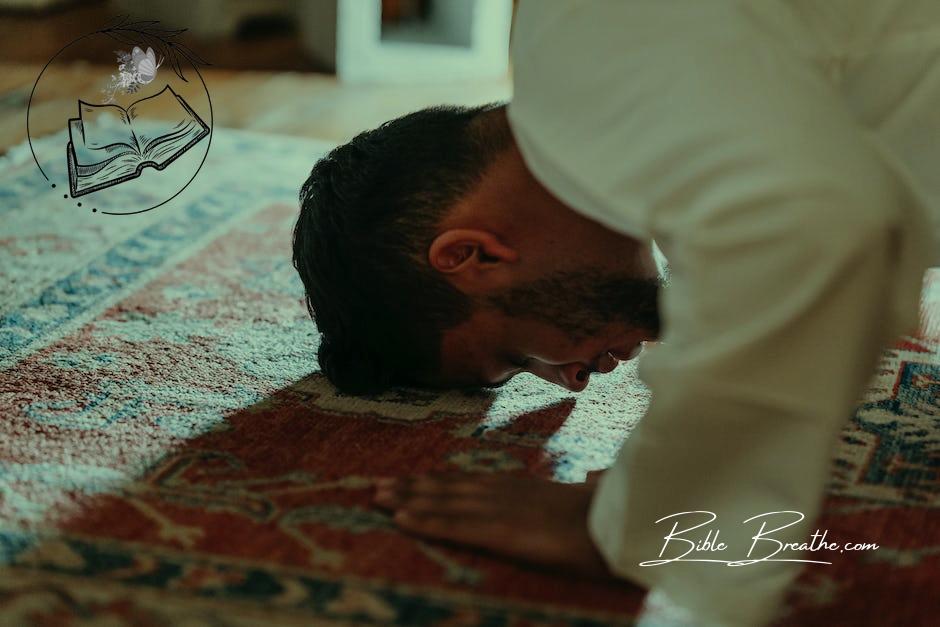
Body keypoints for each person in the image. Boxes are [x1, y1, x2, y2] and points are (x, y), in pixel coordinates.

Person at [292, 1, 939, 624]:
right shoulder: (603, 78)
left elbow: (813, 234)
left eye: (516, 354)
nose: (571, 381)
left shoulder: (599, 49)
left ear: (474, 254)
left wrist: (637, 516)